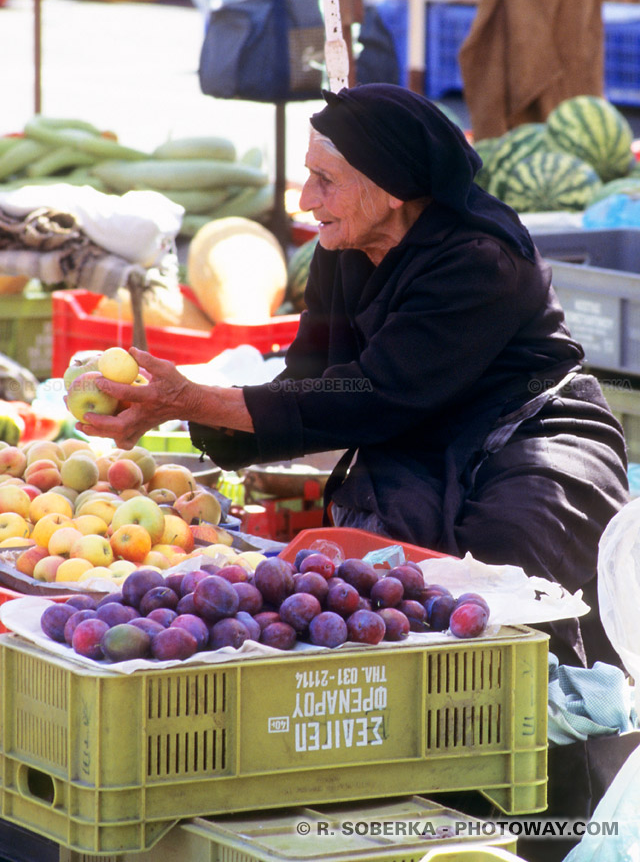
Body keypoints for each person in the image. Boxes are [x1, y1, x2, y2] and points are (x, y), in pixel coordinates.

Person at [77, 84, 629, 669]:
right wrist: (185, 405)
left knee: (500, 566)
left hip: (530, 435)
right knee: (385, 573)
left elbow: (370, 393)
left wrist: (192, 399)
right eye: (308, 176)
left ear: (391, 189)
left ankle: (558, 724)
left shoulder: (479, 260)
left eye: (326, 180)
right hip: (419, 439)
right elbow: (312, 378)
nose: (306, 199)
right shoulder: (342, 248)